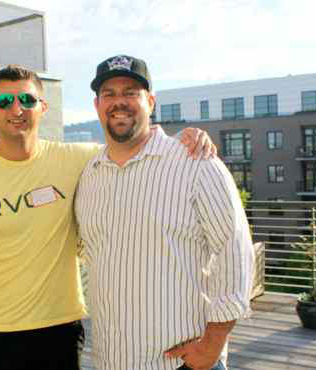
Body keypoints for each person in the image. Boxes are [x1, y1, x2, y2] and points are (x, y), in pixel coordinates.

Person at [0, 65, 216, 370]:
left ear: (43, 106)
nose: (17, 109)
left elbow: (131, 144)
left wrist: (183, 139)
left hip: (61, 331)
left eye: (27, 100)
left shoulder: (77, 159)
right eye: (4, 101)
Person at [75, 55, 255, 370]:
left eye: (130, 92)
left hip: (181, 362)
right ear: (97, 105)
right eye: (109, 93)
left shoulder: (195, 162)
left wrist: (212, 345)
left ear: (151, 101)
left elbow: (235, 250)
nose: (119, 102)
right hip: (110, 360)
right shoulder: (88, 174)